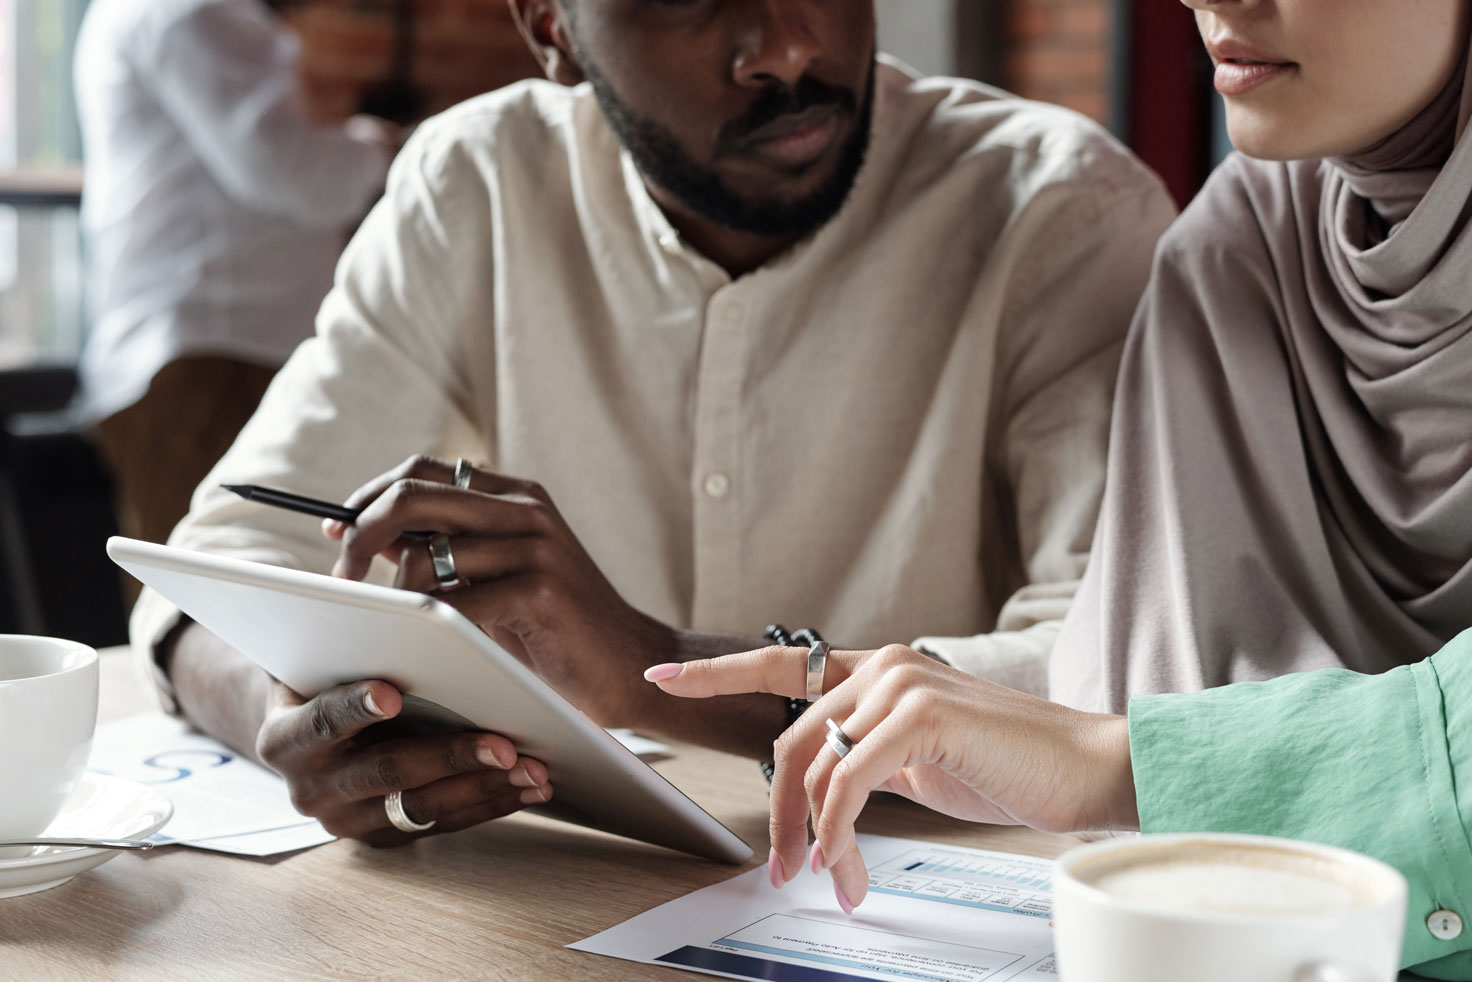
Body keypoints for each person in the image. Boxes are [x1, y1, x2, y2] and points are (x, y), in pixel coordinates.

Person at [129, 1, 1176, 843]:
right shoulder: (475, 185)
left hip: (934, 913)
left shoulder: (1058, 211)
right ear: (550, 29)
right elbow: (212, 570)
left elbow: (1106, 689)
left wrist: (650, 671)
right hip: (559, 908)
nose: (785, 45)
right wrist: (302, 720)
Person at [648, 0, 1472, 976]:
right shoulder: (1240, 253)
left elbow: (1125, 742)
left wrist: (1121, 764)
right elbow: (1152, 664)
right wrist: (899, 699)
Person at [74, 0, 398, 577]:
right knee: (202, 602)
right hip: (207, 359)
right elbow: (289, 174)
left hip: (213, 353)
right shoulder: (187, 13)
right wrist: (390, 151)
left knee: (225, 594)